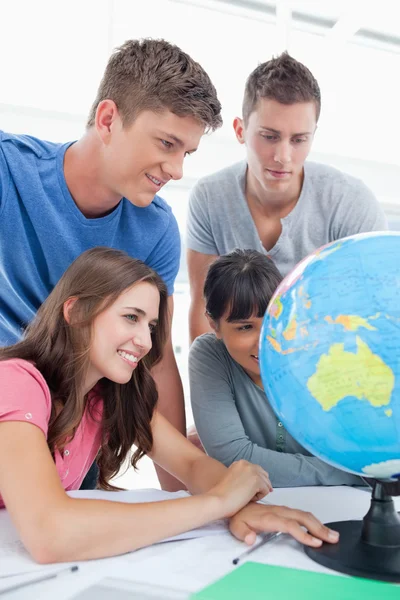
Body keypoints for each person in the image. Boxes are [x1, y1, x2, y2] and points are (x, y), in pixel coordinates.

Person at [0, 247, 340, 564]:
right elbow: (50, 533)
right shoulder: (16, 381)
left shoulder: (109, 396)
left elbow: (191, 464)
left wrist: (242, 508)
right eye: (131, 317)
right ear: (75, 312)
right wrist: (217, 503)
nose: (146, 341)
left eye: (151, 326)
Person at [0, 38, 222, 490]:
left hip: (70, 451)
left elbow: (155, 361)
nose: (177, 169)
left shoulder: (157, 231)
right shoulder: (8, 170)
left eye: (187, 153)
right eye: (167, 143)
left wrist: (178, 494)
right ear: (107, 120)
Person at [186, 52, 388, 344]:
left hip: (328, 367)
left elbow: (377, 316)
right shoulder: (209, 198)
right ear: (240, 131)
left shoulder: (351, 203)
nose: (283, 157)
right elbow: (205, 318)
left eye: (298, 140)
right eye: (269, 136)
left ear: (313, 136)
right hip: (239, 373)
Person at [189, 249, 364, 488]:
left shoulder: (317, 349)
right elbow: (232, 458)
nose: (265, 341)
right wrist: (343, 474)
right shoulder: (210, 355)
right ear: (214, 325)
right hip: (273, 505)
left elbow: (360, 452)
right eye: (245, 327)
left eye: (273, 320)